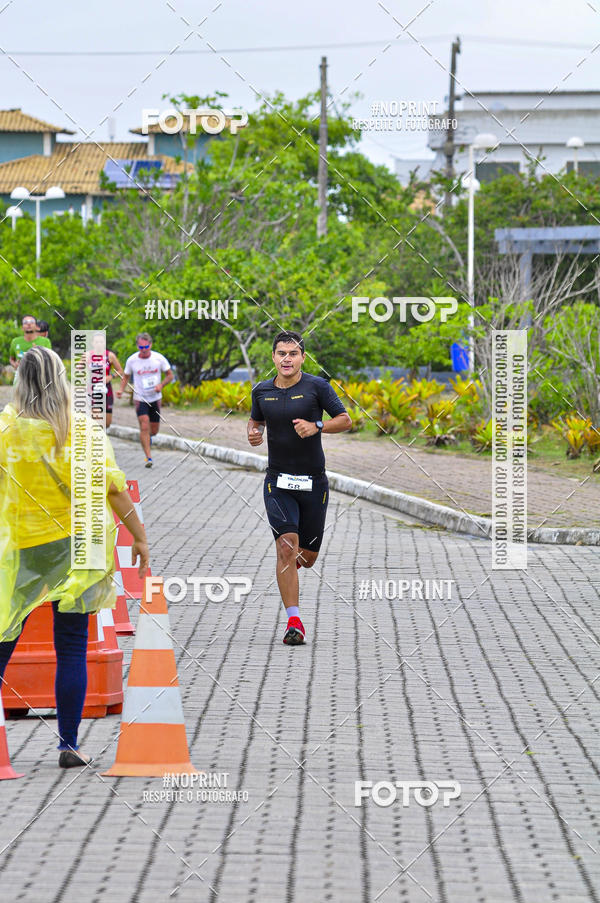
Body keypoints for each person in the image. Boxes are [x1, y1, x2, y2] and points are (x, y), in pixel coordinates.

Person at [0, 346, 149, 768]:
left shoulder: (6, 430)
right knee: (71, 646)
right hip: (80, 548)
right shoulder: (81, 430)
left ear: (20, 381)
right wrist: (140, 538)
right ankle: (68, 744)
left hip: (25, 548)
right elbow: (114, 489)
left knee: (4, 637)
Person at [248, 331, 351, 646]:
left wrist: (317, 426)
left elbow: (346, 420)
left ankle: (287, 571)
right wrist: (253, 433)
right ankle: (294, 622)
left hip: (313, 484)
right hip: (278, 482)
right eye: (281, 353)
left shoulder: (317, 387)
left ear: (302, 357)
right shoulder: (261, 391)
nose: (287, 359)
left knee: (305, 558)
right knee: (286, 547)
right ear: (274, 357)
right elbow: (255, 422)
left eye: (293, 353)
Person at [116, 333, 173, 468]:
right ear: (137, 346)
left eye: (146, 346)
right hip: (140, 398)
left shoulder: (158, 358)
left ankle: (147, 439)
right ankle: (148, 457)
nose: (144, 349)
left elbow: (170, 375)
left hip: (155, 398)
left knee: (153, 431)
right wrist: (121, 389)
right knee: (144, 425)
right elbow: (126, 376)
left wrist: (161, 385)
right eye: (141, 347)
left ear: (151, 345)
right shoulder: (132, 360)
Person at [88, 332, 125, 429]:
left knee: (107, 423)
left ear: (104, 342)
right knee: (97, 421)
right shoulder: (88, 355)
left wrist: (111, 376)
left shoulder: (110, 355)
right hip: (93, 390)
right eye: (97, 342)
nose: (99, 344)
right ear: (93, 343)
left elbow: (120, 371)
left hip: (107, 390)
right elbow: (78, 370)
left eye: (101, 341)